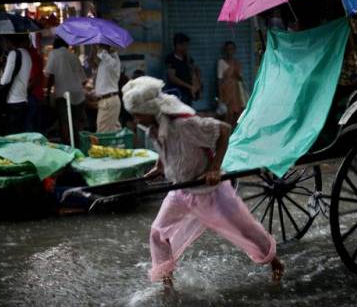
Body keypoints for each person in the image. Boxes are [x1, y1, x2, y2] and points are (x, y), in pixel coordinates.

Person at [122, 76, 284, 288]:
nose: (136, 120)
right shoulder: (153, 127)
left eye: (137, 115)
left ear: (151, 111)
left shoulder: (184, 124)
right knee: (158, 233)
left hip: (211, 191)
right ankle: (167, 283)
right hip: (181, 191)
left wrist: (214, 168)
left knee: (246, 229)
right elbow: (165, 146)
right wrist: (160, 167)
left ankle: (275, 262)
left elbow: (224, 130)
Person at [44, 37, 87, 144]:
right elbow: (83, 80)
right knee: (76, 122)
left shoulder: (53, 54)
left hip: (63, 94)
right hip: (78, 93)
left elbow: (51, 75)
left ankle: (68, 145)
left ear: (55, 45)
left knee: (65, 122)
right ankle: (79, 143)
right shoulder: (73, 56)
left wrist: (48, 94)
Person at [0, 35, 32, 134]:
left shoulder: (14, 54)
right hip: (23, 99)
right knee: (20, 132)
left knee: (13, 134)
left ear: (10, 41)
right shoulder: (26, 54)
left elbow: (4, 81)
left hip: (13, 101)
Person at [165, 33, 201, 105]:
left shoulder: (187, 58)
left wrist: (197, 83)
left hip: (188, 94)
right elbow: (172, 78)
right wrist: (189, 87)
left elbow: (197, 70)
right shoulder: (171, 59)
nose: (187, 47)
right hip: (177, 93)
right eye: (184, 45)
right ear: (178, 45)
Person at [93, 44, 121, 133]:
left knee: (103, 132)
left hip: (108, 101)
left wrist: (101, 50)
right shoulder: (105, 61)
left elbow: (103, 55)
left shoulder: (111, 61)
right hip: (107, 101)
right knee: (112, 131)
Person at [217, 41, 245, 127]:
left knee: (237, 114)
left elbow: (241, 79)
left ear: (234, 50)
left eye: (232, 49)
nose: (230, 51)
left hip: (236, 91)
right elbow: (219, 80)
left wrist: (237, 73)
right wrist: (220, 99)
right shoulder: (221, 62)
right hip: (226, 91)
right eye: (228, 49)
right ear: (225, 50)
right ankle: (227, 135)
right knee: (228, 114)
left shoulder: (237, 63)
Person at [25, 44, 45, 133]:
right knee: (36, 125)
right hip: (37, 95)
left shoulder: (30, 56)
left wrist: (25, 92)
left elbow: (35, 79)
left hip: (34, 95)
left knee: (31, 125)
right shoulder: (34, 55)